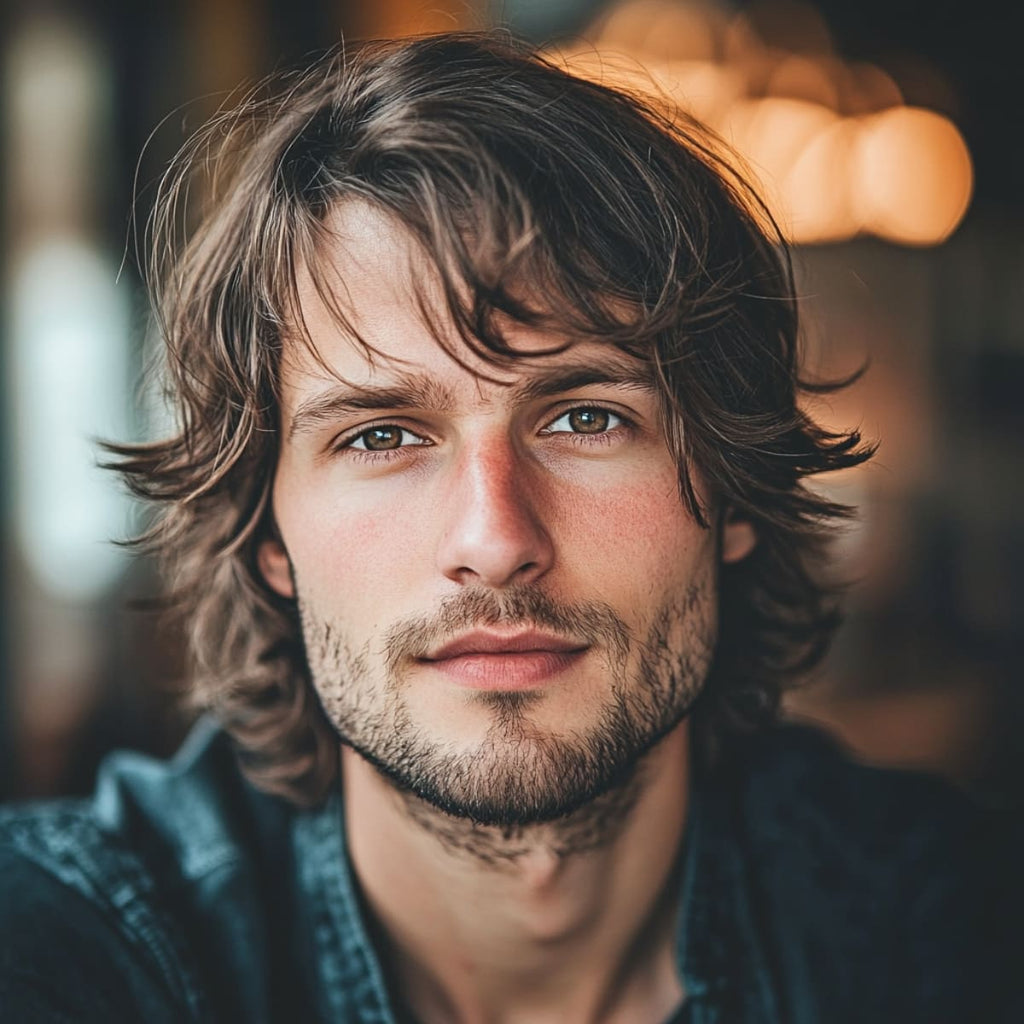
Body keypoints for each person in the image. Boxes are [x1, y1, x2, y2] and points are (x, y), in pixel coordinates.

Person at [0, 30, 1003, 1024]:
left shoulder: (952, 930)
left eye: (586, 419)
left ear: (732, 493)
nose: (494, 539)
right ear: (269, 534)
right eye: (382, 435)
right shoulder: (66, 948)